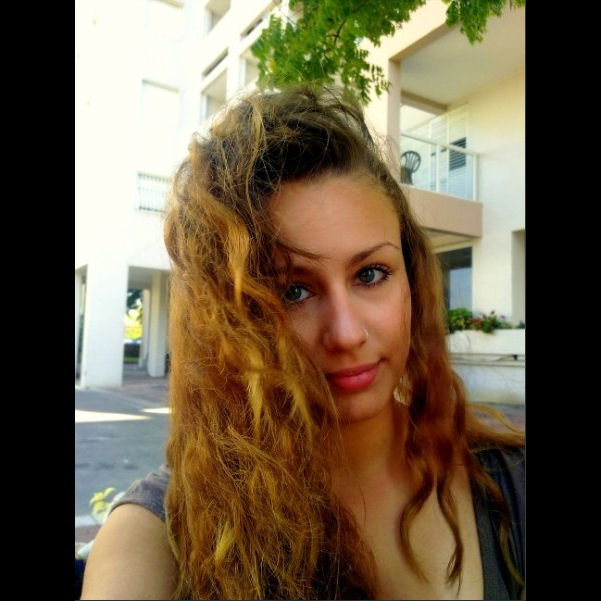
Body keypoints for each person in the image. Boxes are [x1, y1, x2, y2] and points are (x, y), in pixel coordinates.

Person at [81, 85, 524, 600]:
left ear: (413, 281)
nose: (346, 333)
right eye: (293, 291)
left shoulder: (508, 478)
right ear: (227, 318)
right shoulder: (161, 535)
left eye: (371, 274)